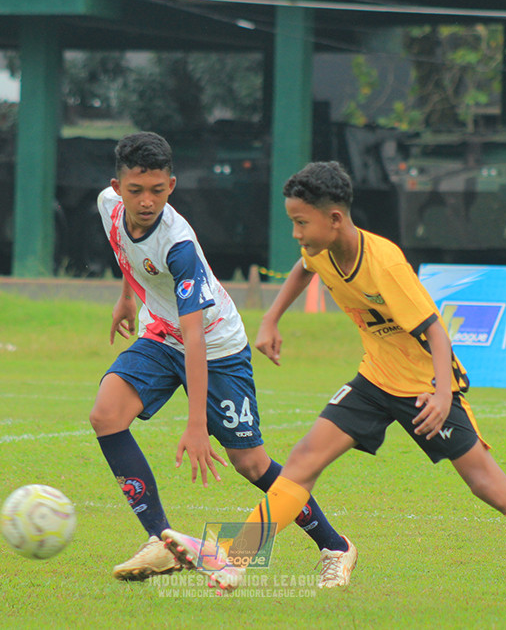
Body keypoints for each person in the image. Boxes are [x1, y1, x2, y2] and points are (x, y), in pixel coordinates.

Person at [162, 161, 506, 618]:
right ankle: (236, 560)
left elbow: (436, 331)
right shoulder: (322, 248)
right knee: (301, 462)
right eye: (292, 221)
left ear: (334, 219)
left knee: (487, 484)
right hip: (374, 381)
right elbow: (303, 268)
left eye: (301, 222)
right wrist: (272, 319)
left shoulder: (385, 264)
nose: (296, 232)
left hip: (424, 390)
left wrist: (441, 394)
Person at [90, 134, 356, 587]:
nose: (147, 200)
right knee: (105, 415)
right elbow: (127, 251)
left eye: (158, 190)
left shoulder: (180, 246)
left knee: (250, 463)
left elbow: (194, 337)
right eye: (136, 190)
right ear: (118, 187)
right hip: (160, 331)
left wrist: (197, 426)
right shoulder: (107, 205)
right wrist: (127, 299)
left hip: (216, 346)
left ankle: (336, 546)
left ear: (172, 185)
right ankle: (160, 540)